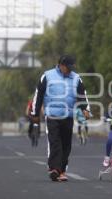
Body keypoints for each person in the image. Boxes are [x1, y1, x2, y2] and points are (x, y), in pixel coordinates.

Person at [30, 54, 90, 182]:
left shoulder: (76, 78)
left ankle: (62, 170)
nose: (70, 70)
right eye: (67, 67)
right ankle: (54, 169)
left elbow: (82, 95)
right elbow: (39, 95)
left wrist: (85, 109)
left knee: (66, 144)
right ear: (61, 65)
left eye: (71, 67)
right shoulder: (47, 76)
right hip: (52, 115)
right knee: (55, 142)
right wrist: (35, 114)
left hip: (68, 116)